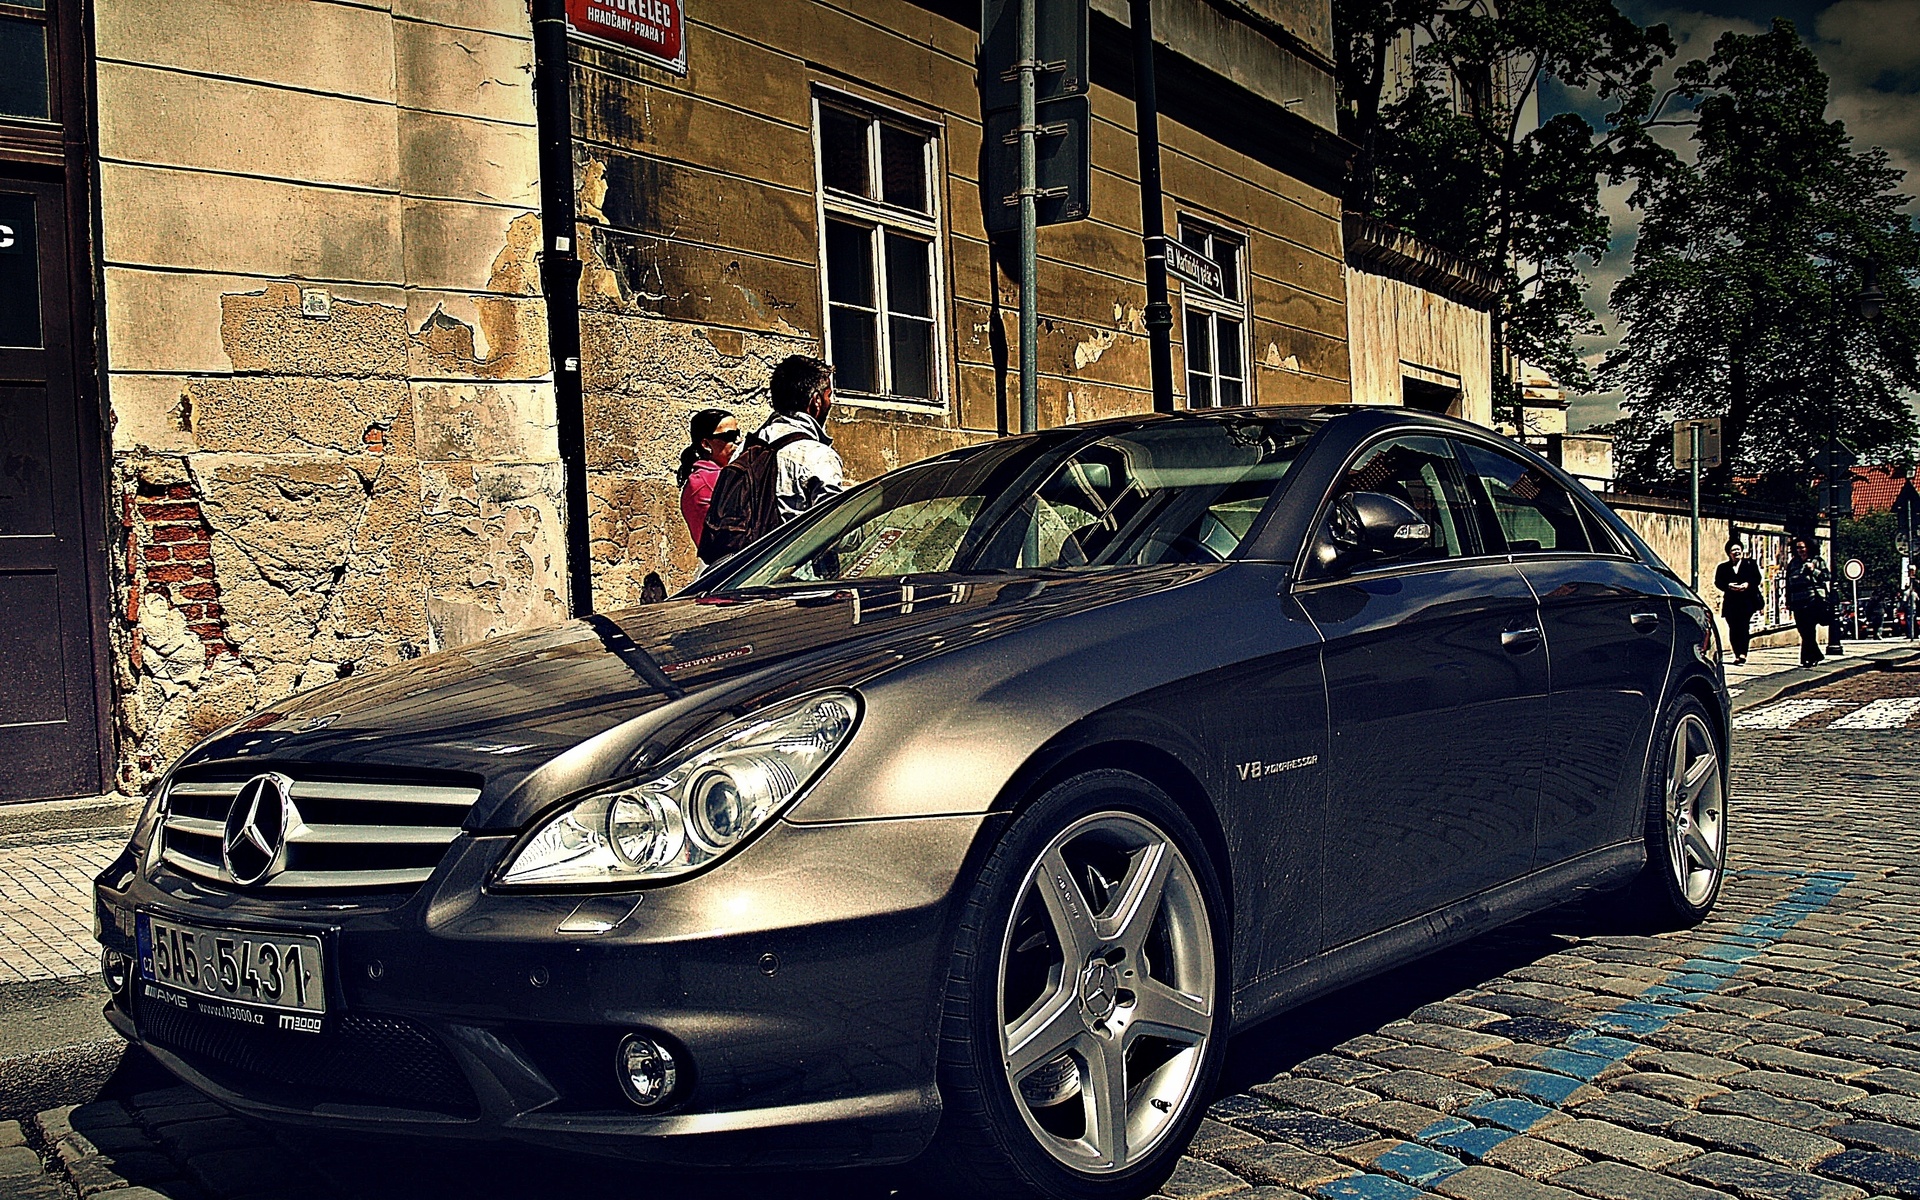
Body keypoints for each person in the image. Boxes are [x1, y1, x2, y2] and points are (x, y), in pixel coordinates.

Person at [755, 354, 845, 525]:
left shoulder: (747, 447)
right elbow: (838, 534)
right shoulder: (817, 456)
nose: (830, 402)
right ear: (816, 401)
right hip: (795, 551)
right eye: (828, 395)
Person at [677, 408, 739, 554]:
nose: (736, 442)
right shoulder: (708, 480)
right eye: (729, 436)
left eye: (737, 435)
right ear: (706, 444)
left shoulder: (705, 477)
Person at [1785, 537, 1834, 667]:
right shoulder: (1793, 563)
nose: (1800, 550)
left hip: (1813, 600)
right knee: (1803, 630)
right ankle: (1815, 654)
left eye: (1802, 547)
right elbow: (1788, 583)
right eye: (1797, 548)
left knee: (1809, 630)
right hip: (1797, 601)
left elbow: (1827, 577)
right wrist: (1788, 600)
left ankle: (1808, 658)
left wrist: (1814, 570)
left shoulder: (1817, 561)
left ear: (1808, 548)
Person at [1713, 538, 1763, 665]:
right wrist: (1728, 586)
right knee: (1733, 629)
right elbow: (1718, 582)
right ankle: (1736, 653)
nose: (1736, 552)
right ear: (1729, 553)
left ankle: (1743, 654)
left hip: (1746, 602)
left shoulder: (1749, 564)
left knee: (1743, 627)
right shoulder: (1723, 567)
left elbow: (1757, 578)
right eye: (1733, 550)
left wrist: (1747, 584)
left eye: (1738, 550)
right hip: (1731, 602)